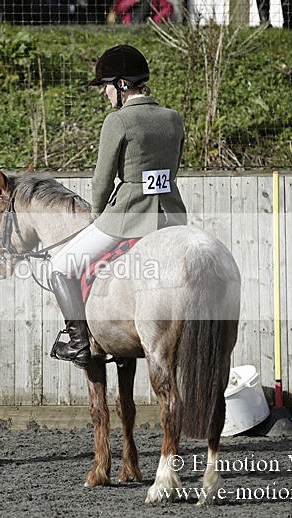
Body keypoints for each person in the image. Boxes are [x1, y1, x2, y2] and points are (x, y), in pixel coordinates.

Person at [48, 44, 188, 369]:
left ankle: (79, 344)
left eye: (107, 87)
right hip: (171, 217)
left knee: (60, 267)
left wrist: (98, 215)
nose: (105, 94)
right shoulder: (173, 118)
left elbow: (102, 181)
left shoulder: (118, 120)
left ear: (122, 85)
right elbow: (174, 169)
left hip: (127, 217)